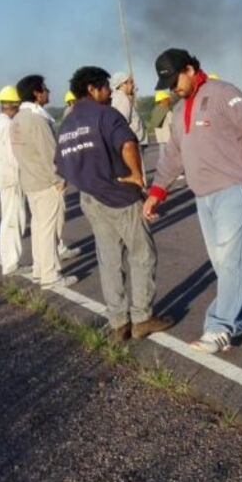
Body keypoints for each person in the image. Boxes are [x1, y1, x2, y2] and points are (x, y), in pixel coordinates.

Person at [143, 48, 242, 353]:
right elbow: (172, 156)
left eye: (174, 80)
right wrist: (156, 193)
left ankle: (218, 328)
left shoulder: (222, 93)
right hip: (203, 196)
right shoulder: (179, 112)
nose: (171, 88)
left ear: (189, 70)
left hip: (234, 188)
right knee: (224, 263)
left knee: (230, 261)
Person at [55, 66, 172, 343]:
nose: (110, 93)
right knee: (142, 255)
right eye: (106, 87)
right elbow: (128, 145)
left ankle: (118, 323)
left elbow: (60, 164)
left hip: (90, 199)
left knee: (109, 260)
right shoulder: (106, 114)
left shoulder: (68, 123)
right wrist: (135, 176)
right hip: (120, 196)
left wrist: (87, 180)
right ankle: (142, 318)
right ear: (93, 89)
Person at [9, 74, 78, 289]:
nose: (48, 92)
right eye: (45, 89)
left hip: (30, 180)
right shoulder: (37, 120)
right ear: (37, 94)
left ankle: (40, 270)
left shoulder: (18, 119)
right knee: (49, 230)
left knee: (40, 228)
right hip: (46, 181)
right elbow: (50, 154)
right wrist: (59, 178)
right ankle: (50, 276)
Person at [0, 85, 27, 276]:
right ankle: (11, 265)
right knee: (13, 221)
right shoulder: (7, 125)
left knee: (10, 219)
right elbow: (14, 156)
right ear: (12, 105)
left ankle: (9, 262)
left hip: (5, 178)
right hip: (11, 179)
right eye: (18, 105)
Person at [110, 72, 148, 150]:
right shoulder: (122, 98)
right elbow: (123, 122)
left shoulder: (120, 97)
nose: (133, 85)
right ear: (123, 84)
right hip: (134, 142)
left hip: (134, 141)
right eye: (131, 82)